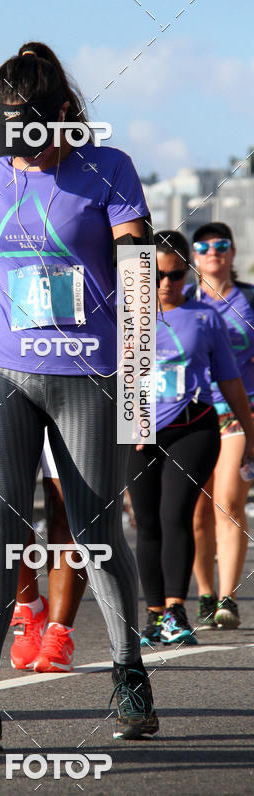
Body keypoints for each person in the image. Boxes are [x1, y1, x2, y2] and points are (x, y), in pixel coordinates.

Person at [0, 41, 159, 751]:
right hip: (6, 371)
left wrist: (138, 391)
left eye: (31, 137)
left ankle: (128, 671)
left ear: (64, 114)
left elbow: (137, 283)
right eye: (10, 139)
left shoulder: (109, 171)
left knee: (93, 534)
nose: (20, 155)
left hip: (87, 374)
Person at [0, 228, 86, 674]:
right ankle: (29, 608)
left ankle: (59, 634)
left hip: (76, 382)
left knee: (69, 511)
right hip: (6, 384)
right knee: (8, 513)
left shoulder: (87, 216)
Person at [127, 231, 252, 648]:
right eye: (157, 275)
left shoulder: (205, 317)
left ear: (188, 272)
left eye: (176, 274)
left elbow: (230, 380)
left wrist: (250, 433)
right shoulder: (124, 315)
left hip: (194, 426)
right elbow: (111, 377)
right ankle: (153, 613)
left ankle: (177, 610)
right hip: (137, 431)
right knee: (146, 524)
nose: (166, 284)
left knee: (175, 513)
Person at [190, 222, 254, 629]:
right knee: (195, 512)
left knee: (228, 502)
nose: (214, 252)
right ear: (193, 257)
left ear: (232, 252)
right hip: (191, 414)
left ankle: (228, 596)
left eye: (222, 245)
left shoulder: (250, 299)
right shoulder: (179, 301)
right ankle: (205, 593)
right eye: (205, 246)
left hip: (241, 412)